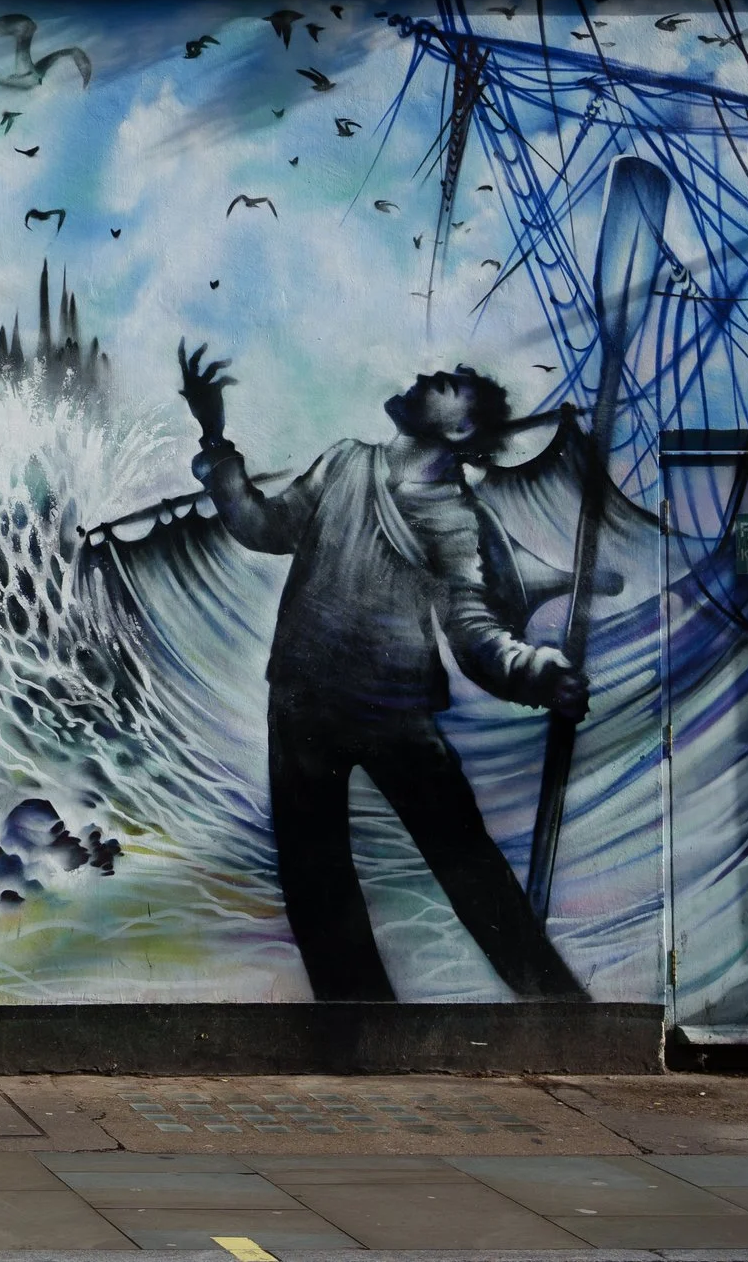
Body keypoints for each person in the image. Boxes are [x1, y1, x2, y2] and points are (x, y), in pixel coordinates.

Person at [178, 343, 590, 1003]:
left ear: (458, 430)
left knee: (471, 867)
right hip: (303, 703)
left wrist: (538, 672)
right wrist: (214, 437)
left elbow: (474, 631)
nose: (434, 373)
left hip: (395, 711)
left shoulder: (453, 518)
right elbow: (263, 525)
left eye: (452, 383)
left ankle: (558, 1009)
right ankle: (360, 1028)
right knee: (317, 885)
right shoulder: (345, 460)